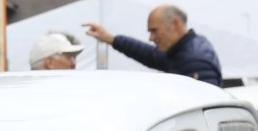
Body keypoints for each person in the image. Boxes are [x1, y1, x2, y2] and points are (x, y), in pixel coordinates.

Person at [84, 5, 222, 87]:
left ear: (175, 24)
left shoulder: (195, 61)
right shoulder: (181, 51)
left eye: (154, 31)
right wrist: (111, 39)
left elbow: (204, 108)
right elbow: (148, 54)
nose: (151, 38)